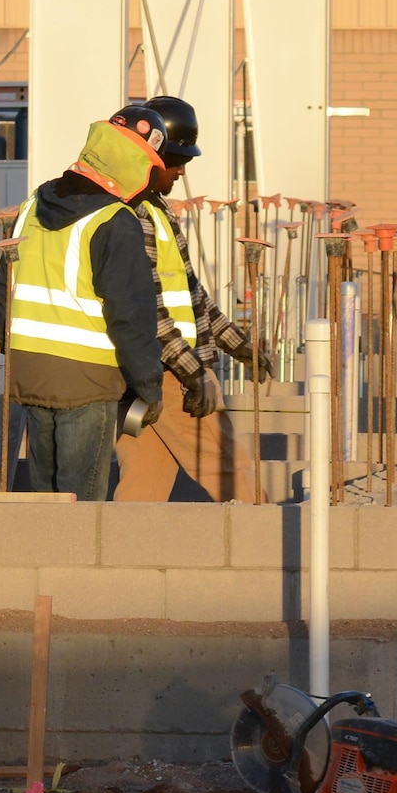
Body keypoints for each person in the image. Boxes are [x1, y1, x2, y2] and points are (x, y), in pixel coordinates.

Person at [0, 108, 167, 501]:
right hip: (88, 381)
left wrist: (16, 353)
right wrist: (148, 386)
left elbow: (4, 286)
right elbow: (130, 315)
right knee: (81, 505)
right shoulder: (114, 220)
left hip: (31, 371)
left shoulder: (32, 205)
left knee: (45, 499)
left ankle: (43, 562)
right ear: (134, 162)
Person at [114, 93, 267, 502]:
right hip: (168, 374)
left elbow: (193, 296)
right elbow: (147, 310)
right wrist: (192, 374)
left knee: (143, 483)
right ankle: (275, 550)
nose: (182, 172)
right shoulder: (135, 218)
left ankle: (120, 559)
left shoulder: (157, 212)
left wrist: (241, 346)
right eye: (177, 162)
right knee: (232, 470)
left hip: (147, 378)